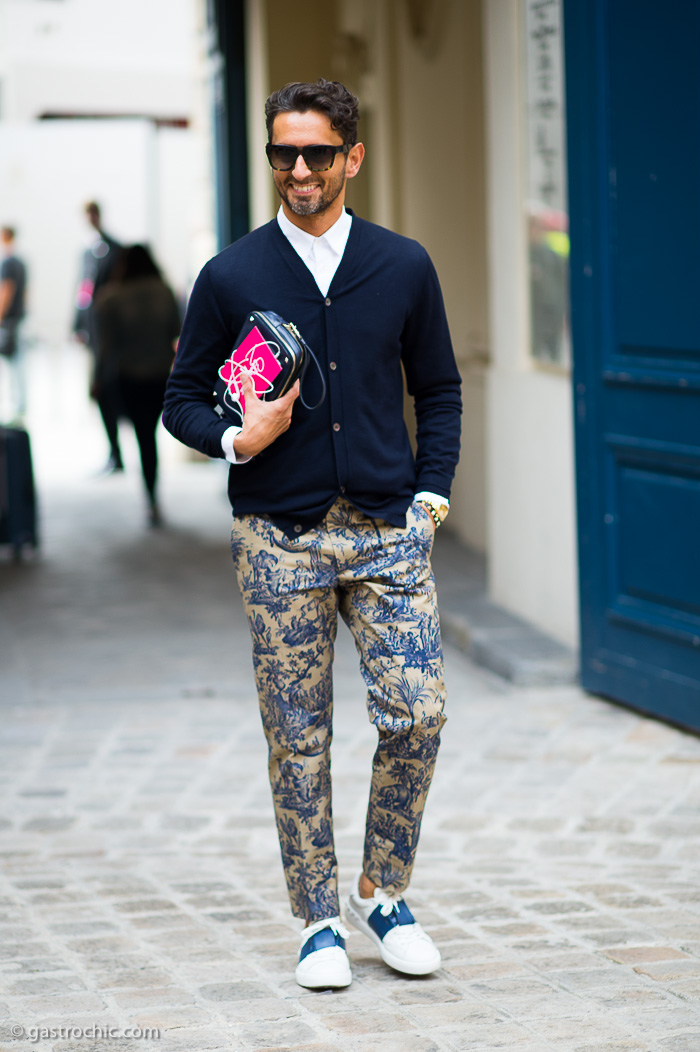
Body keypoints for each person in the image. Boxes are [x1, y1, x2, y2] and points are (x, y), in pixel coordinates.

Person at [163, 78, 462, 990]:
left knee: (419, 710)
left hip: (385, 531)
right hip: (276, 538)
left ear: (352, 158)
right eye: (282, 153)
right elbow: (180, 401)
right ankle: (319, 920)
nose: (298, 169)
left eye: (317, 154)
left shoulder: (402, 264)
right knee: (297, 734)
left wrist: (428, 499)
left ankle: (383, 888)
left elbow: (439, 388)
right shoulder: (232, 276)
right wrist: (232, 438)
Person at [94, 245, 180, 525]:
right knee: (148, 437)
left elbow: (106, 346)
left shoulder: (113, 297)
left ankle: (146, 489)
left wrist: (95, 377)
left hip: (127, 376)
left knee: (142, 436)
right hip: (159, 376)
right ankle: (152, 495)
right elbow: (178, 334)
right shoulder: (165, 292)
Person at [73, 201, 124, 473]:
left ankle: (117, 452)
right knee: (99, 388)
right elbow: (82, 289)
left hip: (110, 330)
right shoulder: (87, 251)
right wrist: (78, 325)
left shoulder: (112, 249)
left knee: (107, 387)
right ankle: (114, 451)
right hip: (94, 328)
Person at [0, 226, 28, 424]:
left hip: (9, 320)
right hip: (19, 318)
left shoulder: (8, 263)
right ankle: (19, 403)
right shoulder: (21, 262)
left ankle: (17, 404)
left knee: (12, 363)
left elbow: (6, 291)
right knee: (17, 362)